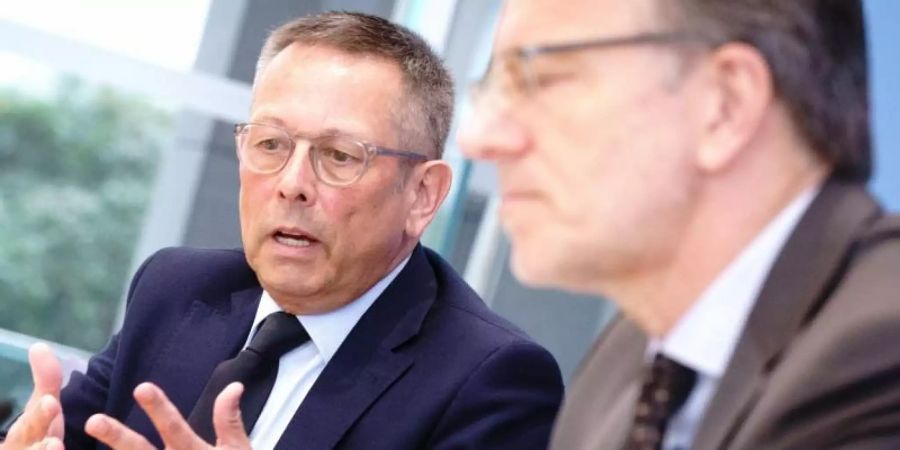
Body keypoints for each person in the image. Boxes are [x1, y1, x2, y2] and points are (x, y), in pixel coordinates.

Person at [1, 11, 563, 450]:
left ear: (423, 195)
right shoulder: (177, 291)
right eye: (271, 144)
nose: (293, 184)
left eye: (339, 156)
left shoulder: (489, 382)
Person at [459, 0, 900, 449]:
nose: (477, 139)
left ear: (727, 104)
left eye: (542, 79)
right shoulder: (625, 363)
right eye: (493, 88)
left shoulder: (882, 355)